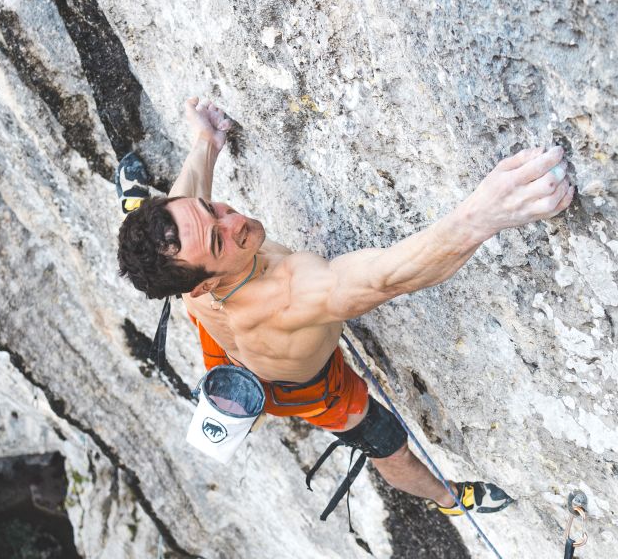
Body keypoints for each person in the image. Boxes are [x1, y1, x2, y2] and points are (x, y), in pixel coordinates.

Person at [117, 98, 577, 516]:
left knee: (175, 254)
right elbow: (389, 275)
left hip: (220, 339)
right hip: (307, 385)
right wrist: (482, 216)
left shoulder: (185, 272)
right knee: (387, 446)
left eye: (212, 208)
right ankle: (448, 499)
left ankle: (137, 210)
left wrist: (207, 143)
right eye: (219, 238)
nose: (235, 218)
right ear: (203, 284)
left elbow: (185, 206)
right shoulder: (290, 294)